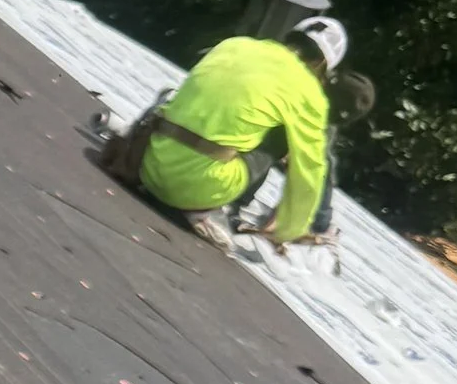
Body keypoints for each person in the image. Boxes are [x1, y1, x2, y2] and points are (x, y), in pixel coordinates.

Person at [108, 13, 349, 248]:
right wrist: (288, 231)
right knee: (285, 135)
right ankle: (228, 207)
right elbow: (309, 171)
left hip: (148, 165)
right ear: (320, 65)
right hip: (199, 192)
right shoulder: (310, 94)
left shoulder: (236, 45)